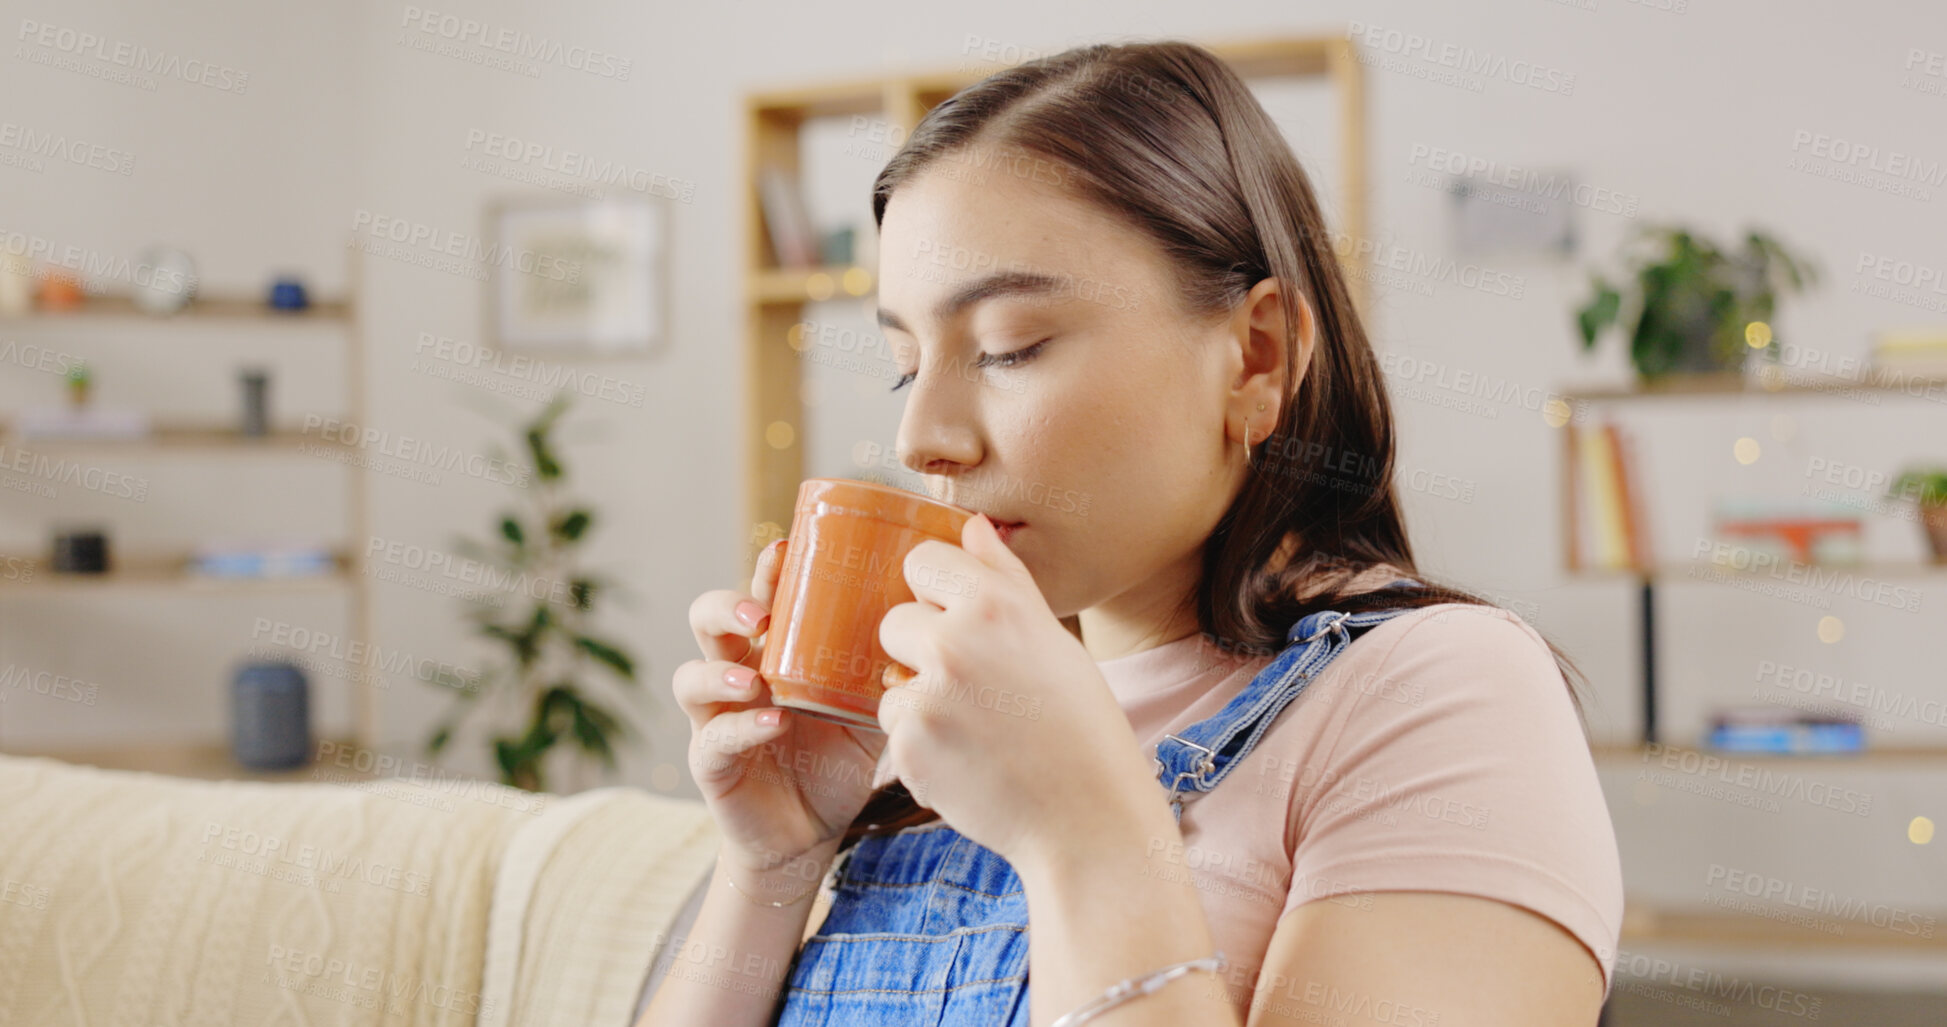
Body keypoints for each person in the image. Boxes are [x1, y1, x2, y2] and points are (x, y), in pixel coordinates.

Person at [642, 39, 1622, 1027]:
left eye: (1007, 348)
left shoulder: (1435, 692)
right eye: (905, 364)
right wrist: (774, 861)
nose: (919, 436)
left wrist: (1088, 840)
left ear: (1256, 355)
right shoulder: (938, 721)